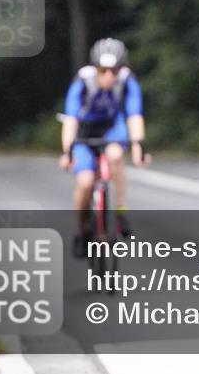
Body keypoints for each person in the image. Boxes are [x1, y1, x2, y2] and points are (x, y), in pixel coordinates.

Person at [59, 38, 149, 257]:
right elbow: (70, 120)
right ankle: (81, 230)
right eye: (104, 70)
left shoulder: (127, 81)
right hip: (84, 132)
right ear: (96, 68)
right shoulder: (83, 81)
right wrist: (67, 152)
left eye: (114, 70)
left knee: (116, 155)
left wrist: (138, 150)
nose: (109, 75)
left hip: (111, 128)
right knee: (85, 181)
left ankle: (120, 212)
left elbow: (134, 116)